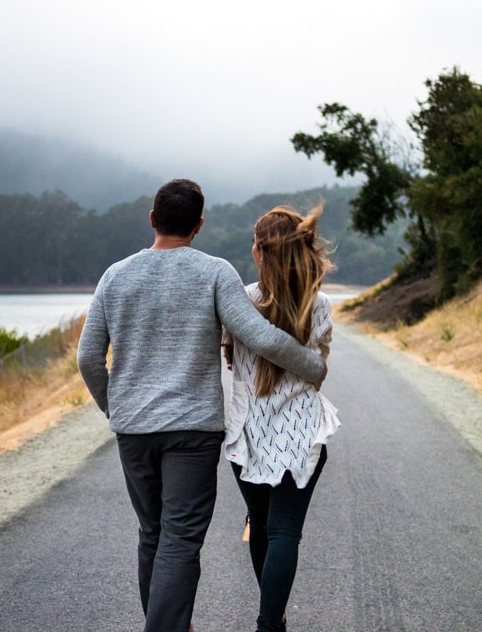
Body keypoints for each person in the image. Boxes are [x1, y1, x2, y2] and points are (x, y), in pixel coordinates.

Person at [76, 179, 327, 632]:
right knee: (179, 539)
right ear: (199, 225)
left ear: (153, 219)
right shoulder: (214, 272)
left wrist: (114, 408)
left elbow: (87, 357)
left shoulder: (115, 275)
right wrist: (312, 366)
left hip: (133, 431)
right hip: (192, 432)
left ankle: (172, 623)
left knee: (151, 533)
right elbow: (261, 336)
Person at [222, 204, 339, 632]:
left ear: (259, 251)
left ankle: (274, 620)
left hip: (248, 437)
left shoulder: (241, 302)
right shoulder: (320, 303)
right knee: (286, 530)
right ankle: (269, 623)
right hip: (302, 435)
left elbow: (230, 357)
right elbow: (320, 367)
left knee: (262, 526)